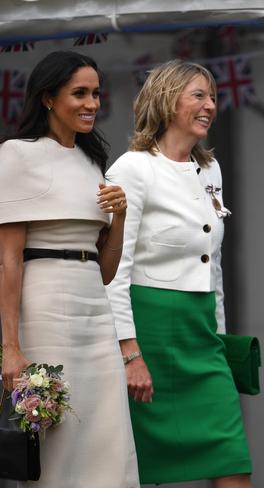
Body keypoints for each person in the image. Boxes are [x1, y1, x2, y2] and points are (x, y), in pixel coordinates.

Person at [104, 60, 252, 488]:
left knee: (233, 460)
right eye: (199, 95)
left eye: (213, 96)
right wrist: (130, 354)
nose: (211, 105)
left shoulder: (211, 170)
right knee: (145, 468)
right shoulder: (132, 169)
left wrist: (221, 340)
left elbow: (213, 266)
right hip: (150, 335)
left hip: (202, 338)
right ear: (168, 101)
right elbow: (114, 271)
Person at [0, 50, 139, 487]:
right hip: (43, 309)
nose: (92, 103)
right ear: (47, 98)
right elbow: (7, 261)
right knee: (57, 441)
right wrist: (10, 347)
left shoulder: (93, 161)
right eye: (79, 93)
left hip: (95, 313)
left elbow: (105, 271)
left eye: (96, 93)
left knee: (108, 435)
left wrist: (120, 216)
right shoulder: (16, 155)